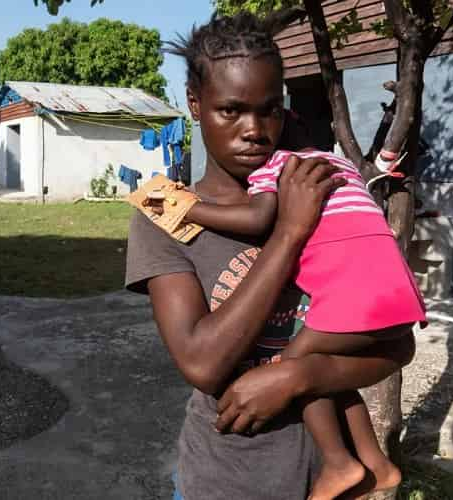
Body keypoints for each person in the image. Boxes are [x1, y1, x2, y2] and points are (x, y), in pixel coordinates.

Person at [125, 12, 418, 500]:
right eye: (231, 110)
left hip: (332, 481)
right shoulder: (166, 219)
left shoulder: (320, 193)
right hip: (229, 479)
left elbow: (396, 345)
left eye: (268, 110)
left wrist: (304, 374)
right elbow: (202, 365)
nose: (254, 130)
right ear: (196, 105)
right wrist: (290, 231)